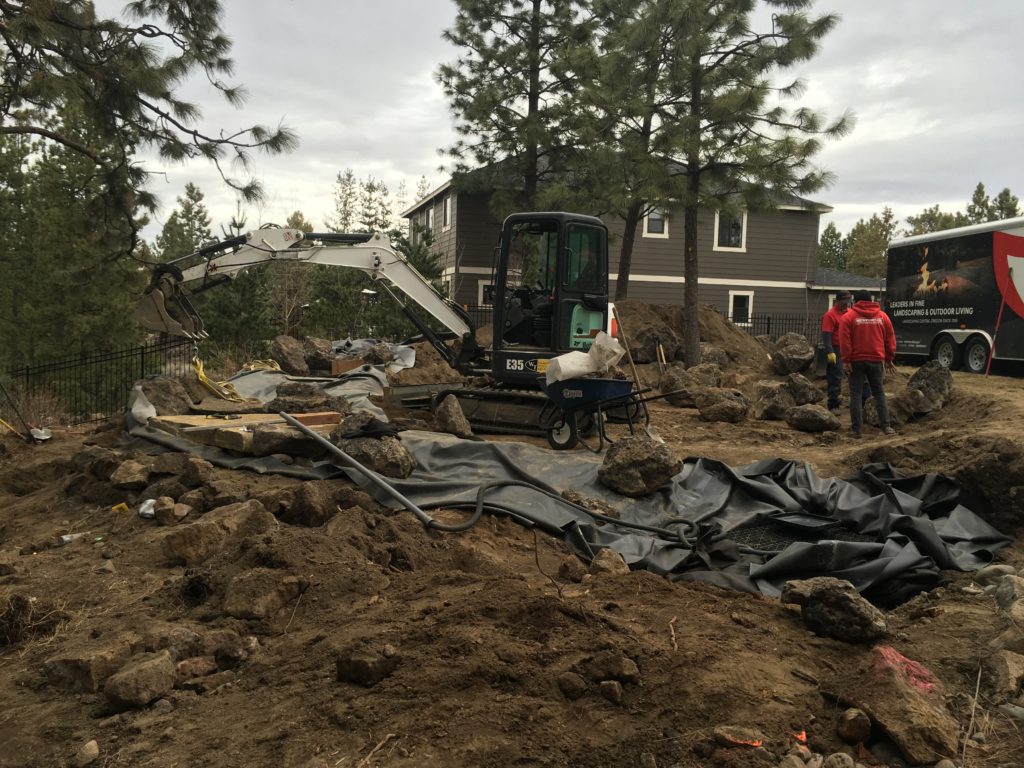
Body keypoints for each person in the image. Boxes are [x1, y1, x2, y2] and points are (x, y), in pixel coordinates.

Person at [838, 290, 898, 438]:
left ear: (856, 301)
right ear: (871, 300)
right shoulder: (882, 316)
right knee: (879, 393)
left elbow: (845, 341)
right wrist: (889, 358)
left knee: (856, 394)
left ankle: (856, 430)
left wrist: (846, 360)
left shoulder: (848, 317)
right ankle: (886, 427)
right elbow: (890, 339)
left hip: (856, 361)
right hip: (877, 360)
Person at [820, 291, 853, 415]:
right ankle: (833, 404)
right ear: (837, 301)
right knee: (836, 376)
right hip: (836, 349)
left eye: (848, 303)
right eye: (844, 303)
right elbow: (826, 335)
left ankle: (854, 401)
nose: (846, 305)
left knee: (853, 375)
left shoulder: (850, 313)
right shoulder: (830, 315)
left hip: (850, 348)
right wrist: (830, 351)